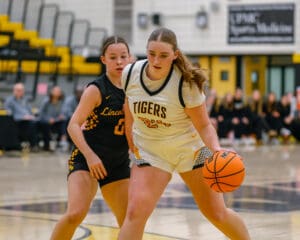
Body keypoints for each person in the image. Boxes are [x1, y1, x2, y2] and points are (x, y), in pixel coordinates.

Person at [118, 27, 250, 240]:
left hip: (193, 152)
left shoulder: (186, 83)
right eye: (151, 54)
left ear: (175, 55)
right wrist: (130, 140)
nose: (156, 60)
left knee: (216, 213)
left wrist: (215, 151)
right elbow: (128, 108)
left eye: (163, 55)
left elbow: (205, 126)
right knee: (134, 213)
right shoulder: (130, 73)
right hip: (151, 152)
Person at [50, 36, 132, 240]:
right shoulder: (96, 89)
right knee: (75, 213)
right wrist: (90, 156)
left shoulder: (135, 88)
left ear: (130, 57)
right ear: (103, 59)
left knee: (130, 220)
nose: (119, 61)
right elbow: (73, 125)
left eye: (123, 56)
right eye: (113, 57)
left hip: (118, 162)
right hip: (87, 160)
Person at [4, 82, 39, 151]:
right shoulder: (9, 100)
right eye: (18, 90)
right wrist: (22, 117)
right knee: (31, 125)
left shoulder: (25, 100)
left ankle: (35, 145)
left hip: (28, 119)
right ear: (14, 91)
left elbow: (30, 111)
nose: (21, 92)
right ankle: (32, 144)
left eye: (22, 90)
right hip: (17, 121)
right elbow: (9, 113)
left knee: (39, 122)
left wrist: (31, 116)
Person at [38, 85, 68, 151]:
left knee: (64, 121)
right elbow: (41, 114)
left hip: (56, 121)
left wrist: (60, 117)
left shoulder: (62, 102)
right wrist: (48, 119)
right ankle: (47, 145)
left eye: (59, 91)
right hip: (45, 121)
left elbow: (64, 113)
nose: (58, 92)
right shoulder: (46, 101)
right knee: (45, 124)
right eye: (56, 91)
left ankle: (63, 140)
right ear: (51, 92)